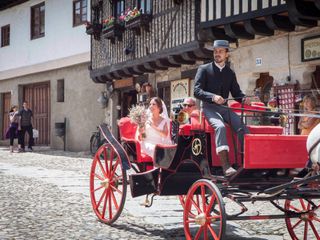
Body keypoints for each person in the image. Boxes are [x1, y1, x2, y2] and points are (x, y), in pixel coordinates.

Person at [194, 39, 250, 177]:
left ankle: (245, 164)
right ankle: (226, 167)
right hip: (208, 107)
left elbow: (236, 93)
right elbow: (197, 91)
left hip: (224, 108)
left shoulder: (230, 73)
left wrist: (244, 99)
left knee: (243, 128)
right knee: (220, 127)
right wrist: (213, 97)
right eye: (215, 51)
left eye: (220, 51)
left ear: (226, 54)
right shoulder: (204, 69)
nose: (217, 54)